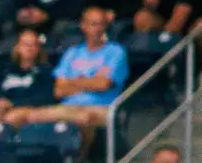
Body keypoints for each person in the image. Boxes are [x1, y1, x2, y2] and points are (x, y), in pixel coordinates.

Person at [21, 8, 128, 144]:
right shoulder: (72, 53)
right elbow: (59, 90)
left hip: (101, 108)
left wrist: (73, 82)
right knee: (33, 116)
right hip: (69, 106)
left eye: (101, 24)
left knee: (83, 119)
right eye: (93, 24)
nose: (98, 29)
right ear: (83, 26)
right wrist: (91, 82)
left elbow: (104, 84)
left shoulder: (116, 51)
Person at [0, 29, 55, 116]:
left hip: (30, 113)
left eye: (33, 45)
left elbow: (45, 98)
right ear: (17, 47)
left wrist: (13, 103)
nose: (29, 48)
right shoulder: (4, 70)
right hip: (1, 111)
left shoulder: (45, 71)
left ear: (39, 48)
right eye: (25, 44)